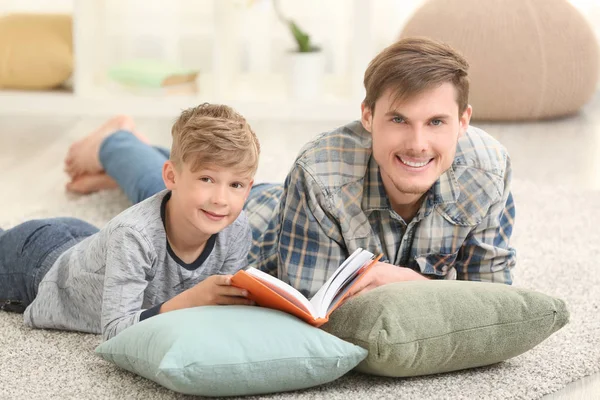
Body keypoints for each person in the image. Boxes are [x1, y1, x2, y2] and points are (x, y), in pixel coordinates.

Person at [63, 37, 516, 301]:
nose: (418, 144)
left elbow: (497, 298)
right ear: (367, 117)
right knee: (170, 191)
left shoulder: (488, 171)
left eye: (436, 122)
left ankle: (130, 149)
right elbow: (318, 307)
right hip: (257, 221)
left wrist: (407, 280)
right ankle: (115, 141)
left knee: (194, 171)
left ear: (464, 122)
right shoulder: (320, 172)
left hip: (296, 202)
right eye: (398, 119)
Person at [0, 103, 260, 341]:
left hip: (92, 247)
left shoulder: (235, 229)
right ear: (171, 176)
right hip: (37, 264)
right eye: (206, 179)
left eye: (235, 185)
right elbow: (115, 331)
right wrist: (192, 299)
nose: (220, 199)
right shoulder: (134, 235)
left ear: (248, 189)